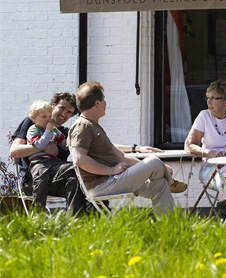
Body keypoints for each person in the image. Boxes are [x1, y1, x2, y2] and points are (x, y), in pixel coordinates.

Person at [10, 92, 164, 214]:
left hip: (57, 179)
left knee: (80, 179)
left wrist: (136, 148)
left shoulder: (65, 133)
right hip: (34, 179)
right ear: (53, 105)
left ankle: (80, 222)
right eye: (61, 108)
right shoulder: (33, 122)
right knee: (80, 170)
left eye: (69, 112)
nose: (64, 114)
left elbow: (105, 145)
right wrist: (43, 148)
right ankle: (88, 218)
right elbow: (14, 151)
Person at [68, 82, 187, 216]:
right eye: (104, 99)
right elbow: (79, 159)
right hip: (102, 185)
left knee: (160, 184)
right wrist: (111, 170)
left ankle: (168, 229)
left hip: (115, 179)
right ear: (97, 103)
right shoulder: (82, 126)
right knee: (153, 160)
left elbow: (122, 157)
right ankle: (171, 182)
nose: (106, 103)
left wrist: (160, 167)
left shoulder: (93, 126)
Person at [184, 80, 226, 217]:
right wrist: (208, 152)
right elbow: (189, 145)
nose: (209, 102)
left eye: (214, 98)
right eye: (208, 98)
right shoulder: (204, 116)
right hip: (212, 168)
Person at [24, 100, 72, 211]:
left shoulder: (54, 130)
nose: (48, 120)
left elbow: (64, 144)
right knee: (41, 180)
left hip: (53, 162)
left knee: (71, 171)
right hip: (38, 162)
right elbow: (40, 145)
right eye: (44, 117)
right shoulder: (33, 130)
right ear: (33, 118)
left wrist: (71, 141)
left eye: (49, 116)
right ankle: (37, 211)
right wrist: (48, 131)